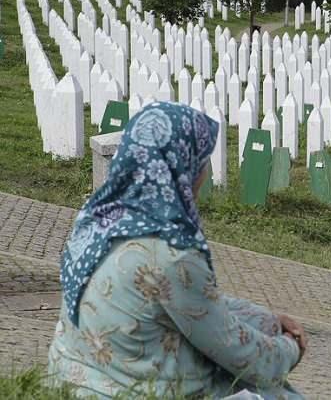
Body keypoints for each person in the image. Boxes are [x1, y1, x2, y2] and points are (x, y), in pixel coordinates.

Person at [47, 102, 307, 399]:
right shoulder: (170, 253)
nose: (205, 173)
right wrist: (290, 347)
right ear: (181, 165)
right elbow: (239, 352)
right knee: (274, 391)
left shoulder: (97, 222)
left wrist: (269, 321)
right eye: (202, 161)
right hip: (131, 391)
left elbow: (196, 303)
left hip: (70, 381)